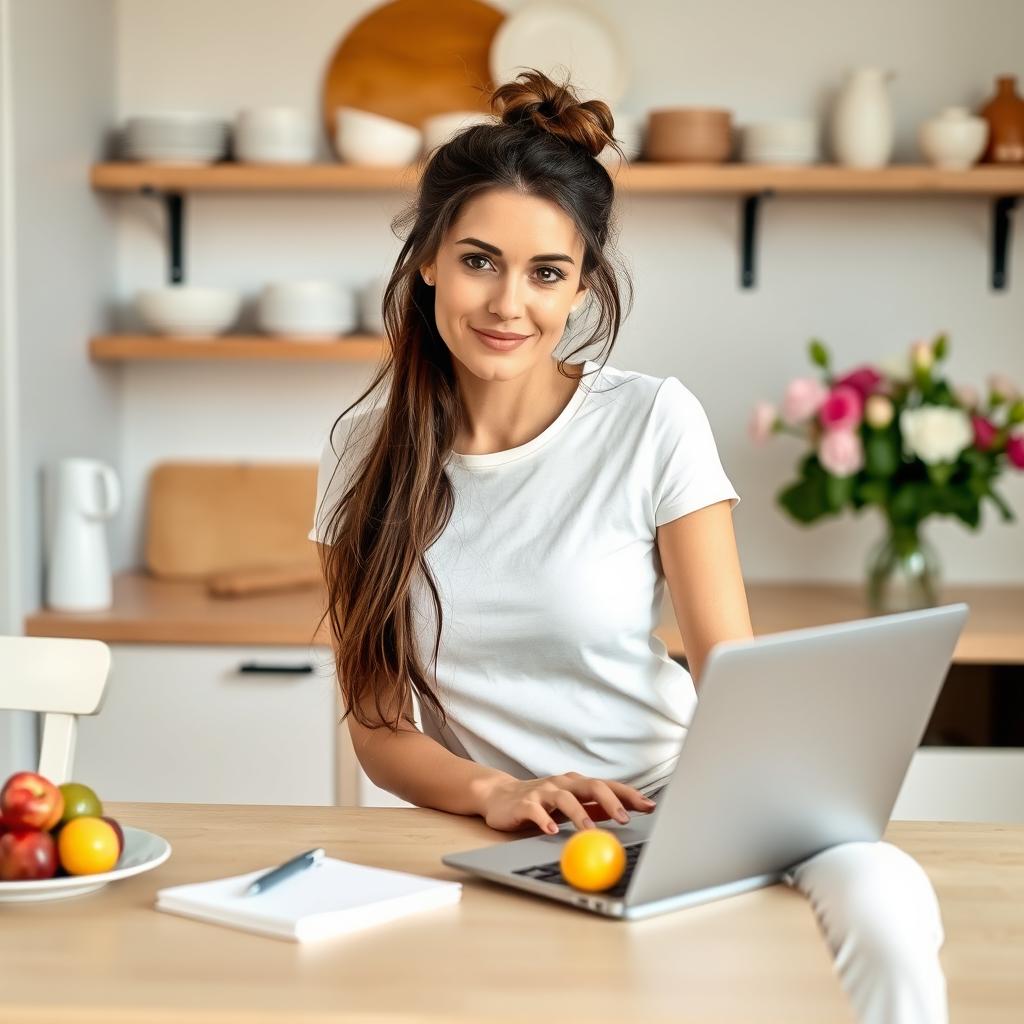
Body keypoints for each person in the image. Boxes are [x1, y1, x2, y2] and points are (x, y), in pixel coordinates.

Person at [309, 68, 948, 1024]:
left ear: (582, 286)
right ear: (429, 258)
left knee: (886, 896)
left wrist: (723, 809)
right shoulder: (363, 453)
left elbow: (733, 667)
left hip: (679, 805)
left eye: (546, 273)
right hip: (497, 831)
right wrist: (496, 791)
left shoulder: (652, 421)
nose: (508, 304)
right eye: (480, 260)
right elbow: (377, 727)